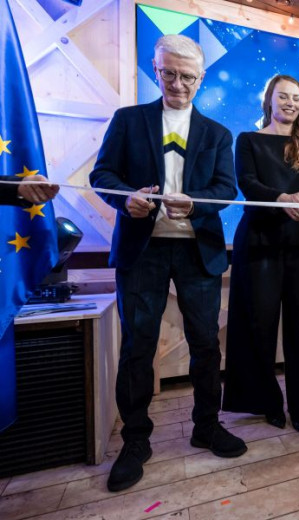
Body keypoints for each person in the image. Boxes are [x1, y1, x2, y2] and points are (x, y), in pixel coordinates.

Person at [89, 35, 245, 493]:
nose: (178, 84)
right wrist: (127, 199)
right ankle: (135, 441)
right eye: (169, 73)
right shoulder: (128, 120)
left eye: (187, 76)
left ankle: (205, 426)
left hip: (199, 250)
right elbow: (103, 175)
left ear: (201, 79)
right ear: (155, 71)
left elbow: (226, 189)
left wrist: (196, 204)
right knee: (138, 346)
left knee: (205, 344)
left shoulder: (217, 133)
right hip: (143, 250)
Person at [222, 75, 299, 434]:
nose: (290, 103)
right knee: (257, 324)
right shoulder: (248, 140)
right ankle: (265, 403)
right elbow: (248, 183)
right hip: (260, 240)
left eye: (296, 97)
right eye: (283, 96)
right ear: (269, 101)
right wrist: (281, 200)